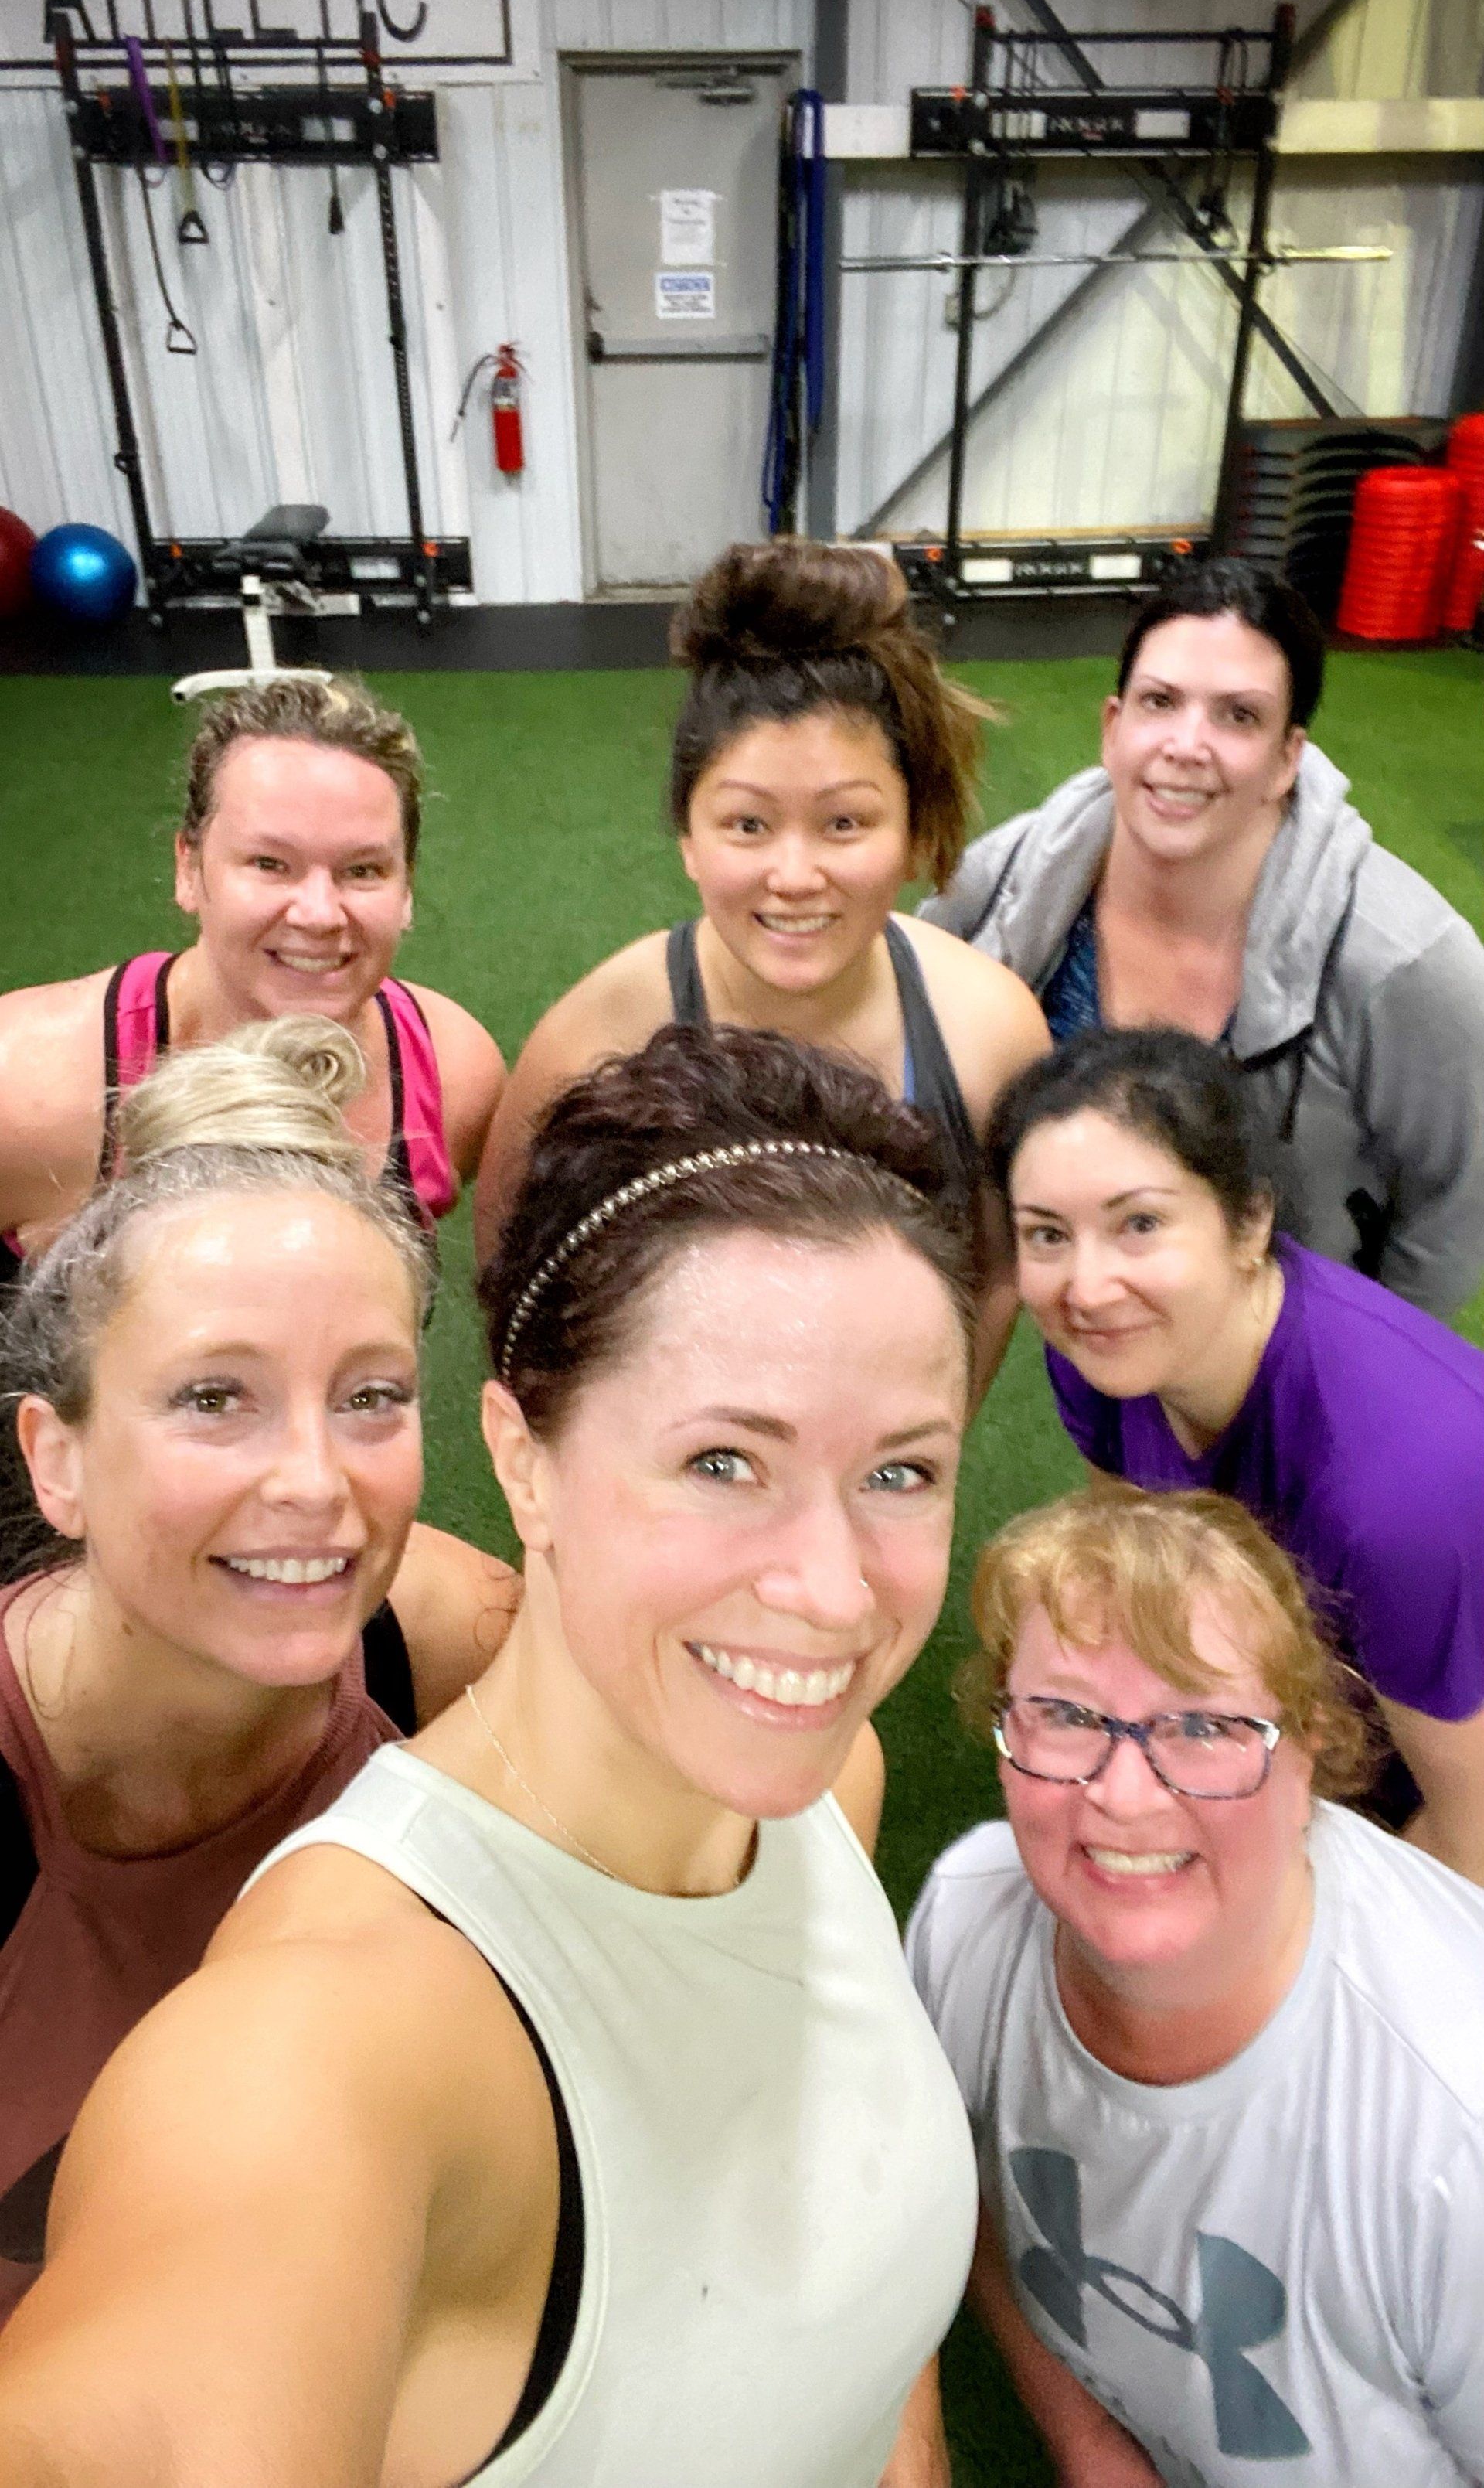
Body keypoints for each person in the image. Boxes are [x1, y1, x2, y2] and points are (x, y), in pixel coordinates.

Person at [0, 1023, 984, 2488]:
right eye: (726, 1460)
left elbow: (854, 2271)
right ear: (524, 1458)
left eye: (900, 1468)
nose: (837, 1590)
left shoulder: (819, 1789)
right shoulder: (308, 2053)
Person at [0, 1017, 517, 2325]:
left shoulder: (454, 1651)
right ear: (55, 1456)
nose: (314, 1484)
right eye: (213, 1396)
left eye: (369, 1395)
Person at [905, 1483, 1484, 2488]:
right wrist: (1086, 2442)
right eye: (1066, 1715)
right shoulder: (968, 1921)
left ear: (1307, 1752)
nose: (1123, 1796)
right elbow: (964, 2186)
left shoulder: (1451, 2128)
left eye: (1205, 1728)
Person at [475, 539, 1049, 1368]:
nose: (794, 876)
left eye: (844, 822)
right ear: (688, 837)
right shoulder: (598, 1038)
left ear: (914, 830)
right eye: (748, 823)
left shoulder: (989, 1030)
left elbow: (996, 1274)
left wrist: (926, 1434)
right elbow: (514, 1276)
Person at [985, 1024, 1484, 1885]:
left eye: (1139, 1223)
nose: (1087, 1287)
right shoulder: (1107, 1354)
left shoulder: (1396, 1493)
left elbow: (1471, 1842)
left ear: (1250, 1221)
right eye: (1047, 1235)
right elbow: (1148, 1586)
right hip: (1340, 1727)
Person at [923, 556, 1484, 1319]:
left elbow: (1459, 1195)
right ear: (1113, 727)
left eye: (1238, 715)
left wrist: (1364, 1357)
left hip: (1286, 1342)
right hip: (1095, 1321)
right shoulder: (1008, 880)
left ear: (1289, 757)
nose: (1187, 743)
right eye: (1160, 701)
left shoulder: (1405, 962)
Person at [0, 674, 506, 1273]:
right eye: (270, 863)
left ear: (407, 890)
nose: (319, 914)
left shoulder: (454, 1079)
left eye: (363, 870)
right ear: (188, 869)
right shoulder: (26, 1085)